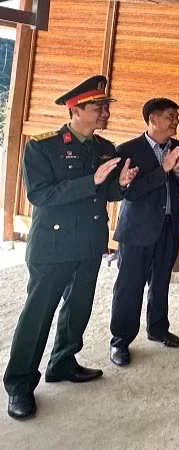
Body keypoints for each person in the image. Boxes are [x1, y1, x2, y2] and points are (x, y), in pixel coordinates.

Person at [4, 75, 138, 420]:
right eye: (98, 107)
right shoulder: (42, 146)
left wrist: (119, 185)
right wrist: (90, 180)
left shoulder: (105, 148)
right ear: (75, 110)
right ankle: (19, 384)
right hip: (53, 243)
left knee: (78, 309)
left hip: (90, 242)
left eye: (106, 107)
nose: (105, 113)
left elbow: (106, 193)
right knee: (38, 315)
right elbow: (40, 195)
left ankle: (62, 362)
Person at [109, 97, 179, 367]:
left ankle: (157, 328)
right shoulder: (128, 150)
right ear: (153, 119)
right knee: (129, 286)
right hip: (137, 230)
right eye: (171, 116)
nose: (176, 122)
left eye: (177, 117)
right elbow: (130, 192)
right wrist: (164, 169)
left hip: (168, 228)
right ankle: (120, 341)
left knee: (161, 282)